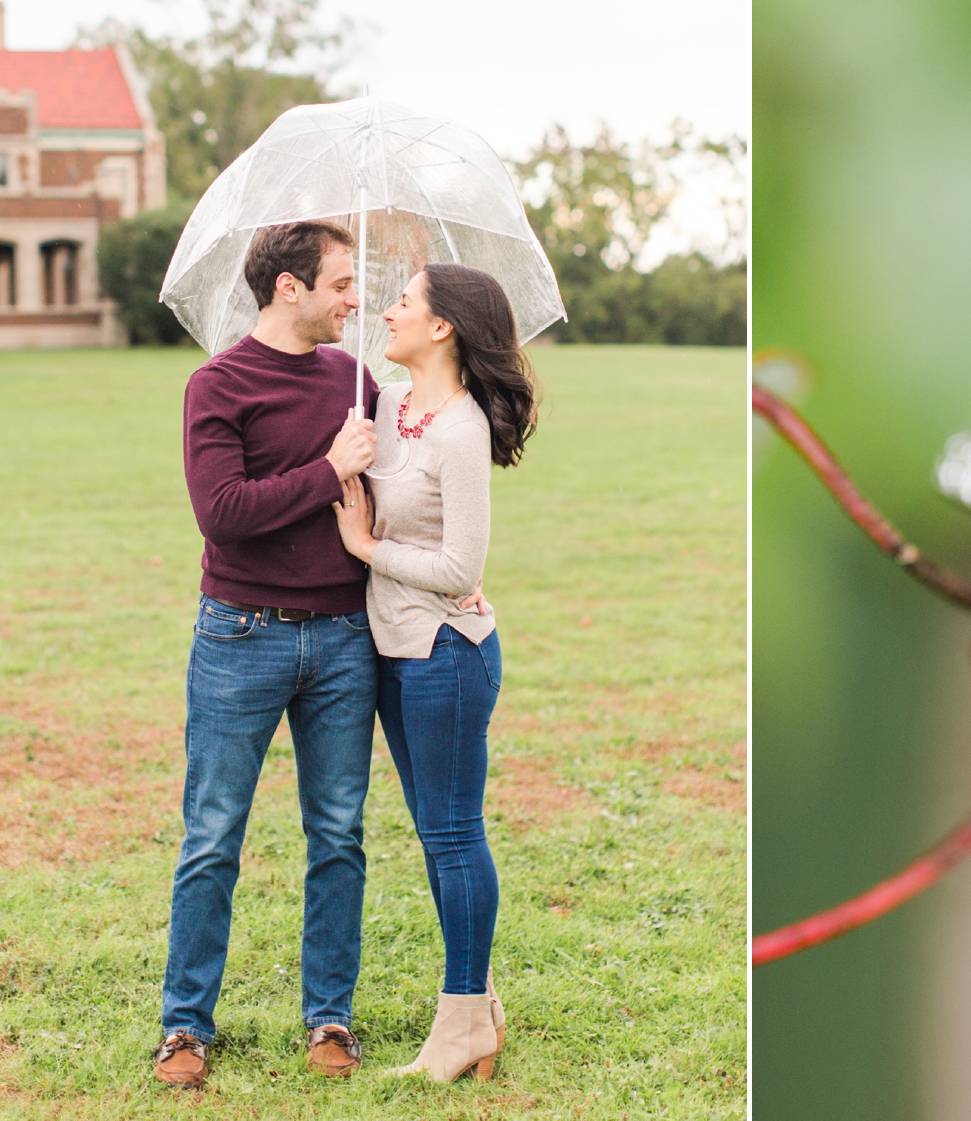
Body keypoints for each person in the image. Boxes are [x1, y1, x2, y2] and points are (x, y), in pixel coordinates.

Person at [155, 222, 488, 1088]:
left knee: (338, 834)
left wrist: (457, 582)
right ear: (288, 289)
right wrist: (324, 465)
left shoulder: (359, 382)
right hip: (240, 636)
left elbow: (422, 483)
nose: (356, 299)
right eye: (342, 283)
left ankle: (329, 1017)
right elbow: (222, 512)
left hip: (346, 638)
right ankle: (186, 1025)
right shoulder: (216, 385)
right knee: (213, 834)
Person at [331, 263, 534, 1083]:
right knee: (433, 830)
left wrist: (370, 548)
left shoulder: (461, 429)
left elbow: (461, 565)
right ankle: (479, 1007)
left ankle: (460, 1022)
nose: (387, 309)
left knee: (453, 832)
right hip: (394, 647)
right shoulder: (386, 400)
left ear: (443, 325)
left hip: (448, 650)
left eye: (404, 301)